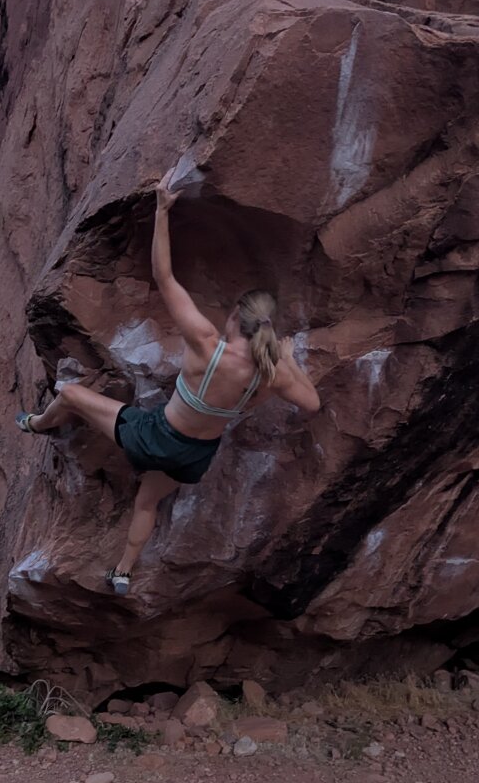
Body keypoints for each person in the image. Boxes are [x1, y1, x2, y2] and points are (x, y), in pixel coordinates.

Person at [16, 165, 321, 595]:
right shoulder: (269, 375)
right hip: (194, 457)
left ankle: (36, 424)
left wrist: (162, 212)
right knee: (148, 500)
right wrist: (289, 360)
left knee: (69, 394)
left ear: (236, 315)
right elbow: (312, 404)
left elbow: (164, 278)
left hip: (156, 436)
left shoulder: (207, 345)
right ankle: (122, 573)